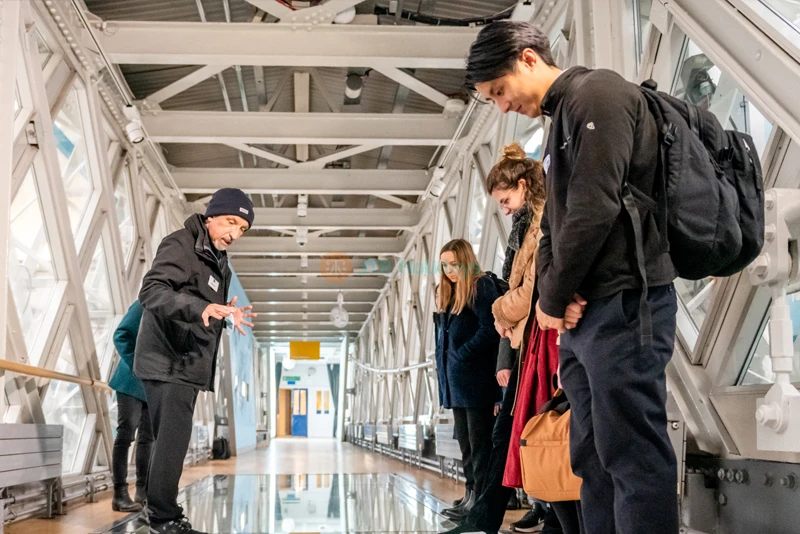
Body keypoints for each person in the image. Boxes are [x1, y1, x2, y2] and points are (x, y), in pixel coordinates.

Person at [468, 21, 679, 534]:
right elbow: (552, 229)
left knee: (631, 455)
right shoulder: (562, 118)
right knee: (590, 459)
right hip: (585, 320)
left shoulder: (597, 95)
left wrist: (551, 300)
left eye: (499, 91)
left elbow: (593, 209)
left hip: (627, 306)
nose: (501, 106)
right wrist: (556, 299)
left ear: (527, 58)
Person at [442, 144, 585, 534]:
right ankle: (504, 520)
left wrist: (499, 313)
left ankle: (491, 520)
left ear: (524, 186)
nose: (503, 209)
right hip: (531, 345)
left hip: (539, 348)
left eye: (506, 199)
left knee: (515, 434)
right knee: (516, 434)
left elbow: (529, 291)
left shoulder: (538, 228)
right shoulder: (529, 227)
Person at [134, 188, 257, 534]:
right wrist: (201, 307)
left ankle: (158, 510)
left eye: (242, 229)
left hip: (187, 364)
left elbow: (205, 309)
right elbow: (152, 291)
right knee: (172, 441)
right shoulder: (182, 244)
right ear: (211, 216)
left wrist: (227, 314)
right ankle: (163, 517)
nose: (234, 234)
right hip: (167, 359)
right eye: (231, 222)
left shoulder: (219, 261)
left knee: (171, 441)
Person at [434, 239, 502, 521]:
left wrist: (462, 355)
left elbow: (490, 330)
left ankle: (482, 503)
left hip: (476, 382)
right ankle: (471, 495)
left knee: (480, 445)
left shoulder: (479, 286)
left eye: (454, 264)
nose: (450, 270)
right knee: (466, 445)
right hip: (457, 384)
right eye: (444, 265)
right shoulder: (448, 296)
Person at [108, 300, 152, 513]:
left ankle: (142, 490)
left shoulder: (169, 307)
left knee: (147, 438)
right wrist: (137, 365)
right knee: (125, 436)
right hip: (130, 382)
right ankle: (119, 494)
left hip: (152, 385)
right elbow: (121, 334)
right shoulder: (143, 304)